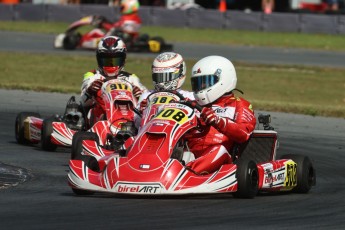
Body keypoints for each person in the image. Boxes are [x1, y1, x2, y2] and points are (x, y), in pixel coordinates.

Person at [184, 55, 256, 175]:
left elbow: (244, 133)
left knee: (218, 150)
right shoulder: (191, 104)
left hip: (221, 157)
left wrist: (218, 121)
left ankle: (188, 174)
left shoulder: (239, 105)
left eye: (205, 82)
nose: (201, 87)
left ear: (224, 79)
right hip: (190, 154)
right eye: (198, 84)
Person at [81, 35, 147, 126]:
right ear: (99, 59)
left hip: (129, 118)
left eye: (115, 60)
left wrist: (140, 96)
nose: (111, 64)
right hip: (100, 118)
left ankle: (129, 127)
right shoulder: (92, 76)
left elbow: (147, 102)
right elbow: (82, 102)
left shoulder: (131, 78)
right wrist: (90, 91)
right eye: (106, 60)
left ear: (123, 60)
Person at [135, 52, 194, 127]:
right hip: (149, 132)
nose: (162, 82)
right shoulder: (146, 96)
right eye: (159, 77)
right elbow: (136, 125)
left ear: (180, 73)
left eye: (166, 77)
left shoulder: (189, 97)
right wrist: (142, 113)